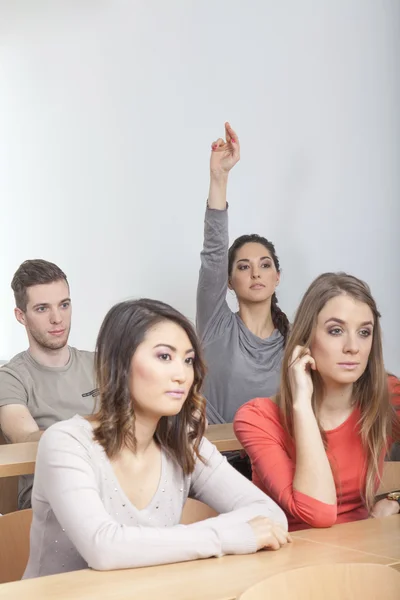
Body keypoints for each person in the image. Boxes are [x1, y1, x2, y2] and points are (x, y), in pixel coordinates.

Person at [23, 298, 290, 578]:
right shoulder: (66, 443)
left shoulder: (184, 443)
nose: (182, 375)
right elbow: (103, 548)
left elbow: (270, 515)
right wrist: (226, 537)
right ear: (120, 362)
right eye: (165, 356)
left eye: (188, 360)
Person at [234, 272, 400, 531]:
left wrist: (395, 498)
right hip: (289, 563)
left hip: (365, 556)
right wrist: (301, 404)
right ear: (306, 338)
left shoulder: (386, 397)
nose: (353, 347)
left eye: (364, 332)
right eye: (336, 331)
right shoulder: (257, 418)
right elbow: (318, 514)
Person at [197, 123, 289, 425]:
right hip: (216, 462)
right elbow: (214, 253)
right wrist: (219, 177)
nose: (255, 274)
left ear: (277, 277)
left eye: (265, 265)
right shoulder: (216, 324)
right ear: (229, 282)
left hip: (273, 462)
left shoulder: (294, 342)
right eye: (243, 267)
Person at [0, 260, 96, 509]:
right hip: (49, 500)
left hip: (111, 488)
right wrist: (106, 426)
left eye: (64, 305)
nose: (57, 319)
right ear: (21, 316)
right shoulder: (10, 377)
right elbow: (27, 437)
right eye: (42, 309)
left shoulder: (101, 363)